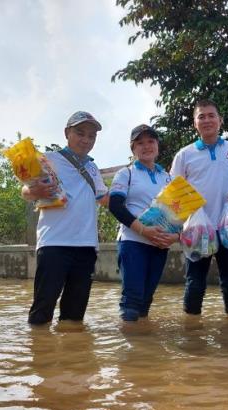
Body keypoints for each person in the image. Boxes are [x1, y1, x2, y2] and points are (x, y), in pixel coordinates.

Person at [22, 111, 109, 325]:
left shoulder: (92, 168)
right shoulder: (48, 160)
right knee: (42, 310)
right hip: (54, 244)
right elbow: (25, 190)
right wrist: (35, 192)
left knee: (74, 315)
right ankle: (40, 354)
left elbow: (104, 198)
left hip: (87, 247)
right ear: (67, 133)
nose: (86, 140)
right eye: (80, 133)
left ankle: (73, 357)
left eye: (91, 136)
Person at [170, 99, 228, 315]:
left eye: (211, 115)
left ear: (220, 120)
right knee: (195, 285)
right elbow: (173, 193)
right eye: (201, 116)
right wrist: (179, 229)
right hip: (197, 231)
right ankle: (191, 336)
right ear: (194, 123)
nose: (207, 120)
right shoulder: (184, 155)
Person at [108, 124, 177, 322]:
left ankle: (144, 349)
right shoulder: (126, 174)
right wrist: (143, 230)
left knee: (146, 300)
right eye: (140, 143)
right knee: (131, 301)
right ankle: (130, 349)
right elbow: (115, 206)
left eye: (151, 141)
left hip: (159, 244)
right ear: (133, 149)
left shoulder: (168, 178)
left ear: (157, 145)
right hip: (132, 242)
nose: (146, 146)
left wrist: (174, 237)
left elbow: (177, 213)